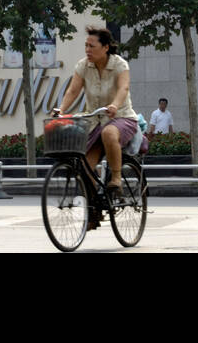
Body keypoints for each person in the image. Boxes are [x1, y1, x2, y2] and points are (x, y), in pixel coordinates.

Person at [55, 28, 139, 214]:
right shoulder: (83, 66)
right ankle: (93, 210)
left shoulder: (119, 65)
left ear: (106, 47)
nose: (87, 49)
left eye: (92, 46)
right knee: (85, 169)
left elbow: (123, 88)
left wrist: (115, 105)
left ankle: (116, 179)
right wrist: (61, 110)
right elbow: (73, 91)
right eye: (86, 45)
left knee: (109, 133)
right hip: (95, 122)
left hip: (121, 117)